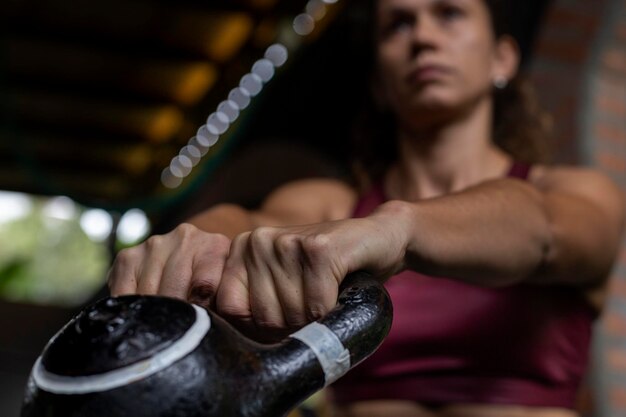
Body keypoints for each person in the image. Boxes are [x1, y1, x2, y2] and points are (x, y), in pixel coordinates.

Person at [108, 0, 625, 415]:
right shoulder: (334, 206)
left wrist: (400, 228)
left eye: (449, 14)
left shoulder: (574, 193)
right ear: (379, 81)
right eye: (398, 25)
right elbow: (244, 226)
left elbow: (544, 230)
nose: (423, 38)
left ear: (502, 59)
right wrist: (198, 238)